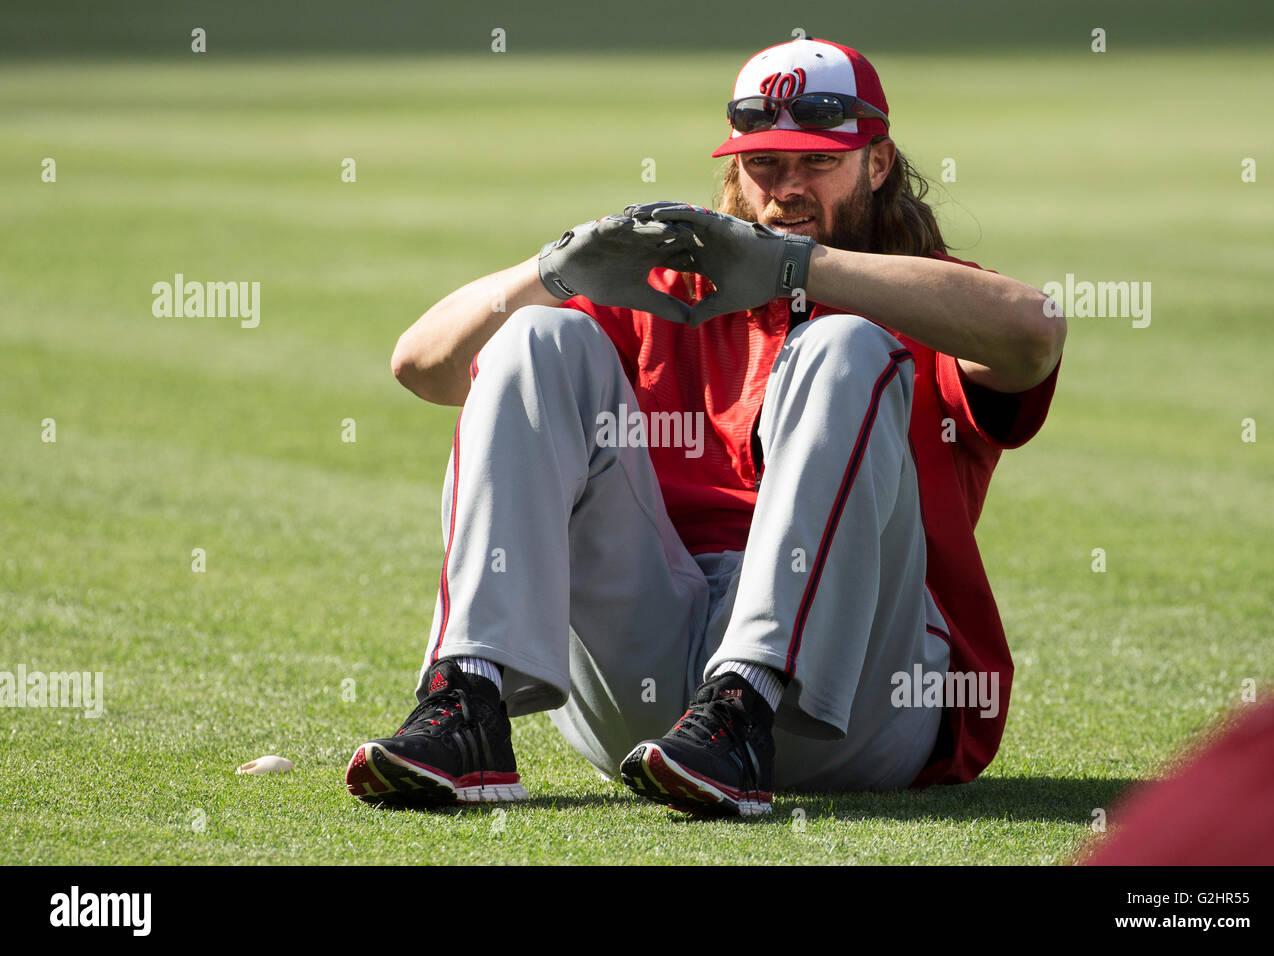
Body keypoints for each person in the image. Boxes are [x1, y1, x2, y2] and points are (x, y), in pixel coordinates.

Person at [344, 37, 1065, 816]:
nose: (787, 186)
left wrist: (798, 268)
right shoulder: (669, 293)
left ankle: (748, 700)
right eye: (765, 162)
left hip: (858, 706)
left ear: (878, 163)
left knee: (843, 342)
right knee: (532, 335)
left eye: (817, 160)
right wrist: (547, 273)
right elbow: (420, 365)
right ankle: (467, 700)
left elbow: (1036, 332)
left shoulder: (922, 296)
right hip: (652, 705)